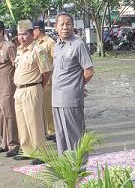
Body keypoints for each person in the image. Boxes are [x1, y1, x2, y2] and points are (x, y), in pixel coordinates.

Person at [52, 12, 94, 163]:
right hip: (56, 98)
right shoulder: (57, 46)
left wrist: (78, 86)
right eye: (61, 24)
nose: (65, 27)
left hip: (71, 98)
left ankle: (79, 166)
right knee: (61, 134)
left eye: (68, 23)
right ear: (56, 27)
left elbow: (89, 71)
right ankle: (66, 165)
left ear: (73, 26)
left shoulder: (78, 44)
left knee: (75, 134)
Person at [13, 20, 52, 165]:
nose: (21, 37)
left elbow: (46, 72)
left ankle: (41, 153)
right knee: (22, 122)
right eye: (19, 34)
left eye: (24, 34)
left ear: (32, 34)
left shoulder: (38, 50)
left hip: (32, 88)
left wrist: (39, 86)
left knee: (34, 122)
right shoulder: (20, 50)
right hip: (19, 90)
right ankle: (28, 150)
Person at [0, 21, 20, 157]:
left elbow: (17, 66)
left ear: (1, 32)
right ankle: (4, 143)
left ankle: (13, 144)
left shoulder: (9, 47)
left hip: (7, 89)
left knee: (10, 117)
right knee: (0, 117)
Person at [32, 20, 56, 141]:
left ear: (38, 30)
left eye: (33, 31)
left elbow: (55, 61)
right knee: (40, 107)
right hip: (37, 80)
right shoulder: (34, 43)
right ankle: (46, 129)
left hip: (48, 80)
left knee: (48, 107)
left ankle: (52, 130)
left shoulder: (50, 42)